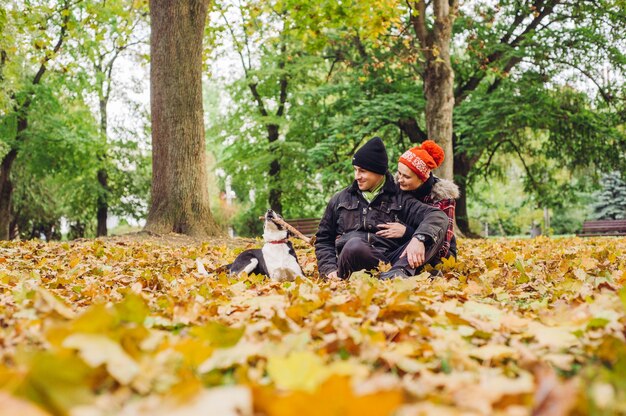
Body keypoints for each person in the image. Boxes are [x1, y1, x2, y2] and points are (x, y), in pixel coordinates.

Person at [315, 137, 449, 280]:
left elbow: (437, 216)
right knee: (353, 245)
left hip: (394, 261)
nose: (356, 176)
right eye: (355, 170)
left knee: (431, 236)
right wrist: (329, 268)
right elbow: (324, 239)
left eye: (362, 171)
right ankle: (397, 278)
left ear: (378, 171)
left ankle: (392, 276)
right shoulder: (340, 199)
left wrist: (419, 239)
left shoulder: (401, 197)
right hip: (354, 261)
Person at [376, 140, 459, 260]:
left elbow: (442, 246)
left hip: (436, 254)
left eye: (406, 177)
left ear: (422, 178)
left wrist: (407, 232)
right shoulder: (397, 187)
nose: (400, 180)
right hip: (399, 247)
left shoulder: (443, 198)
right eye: (399, 173)